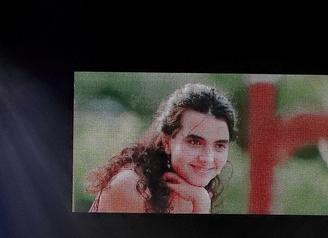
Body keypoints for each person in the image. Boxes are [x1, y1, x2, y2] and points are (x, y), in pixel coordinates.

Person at [86, 83, 237, 213]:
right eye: (194, 142)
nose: (208, 159)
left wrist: (201, 203)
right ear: (167, 142)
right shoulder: (131, 185)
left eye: (220, 145)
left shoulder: (197, 190)